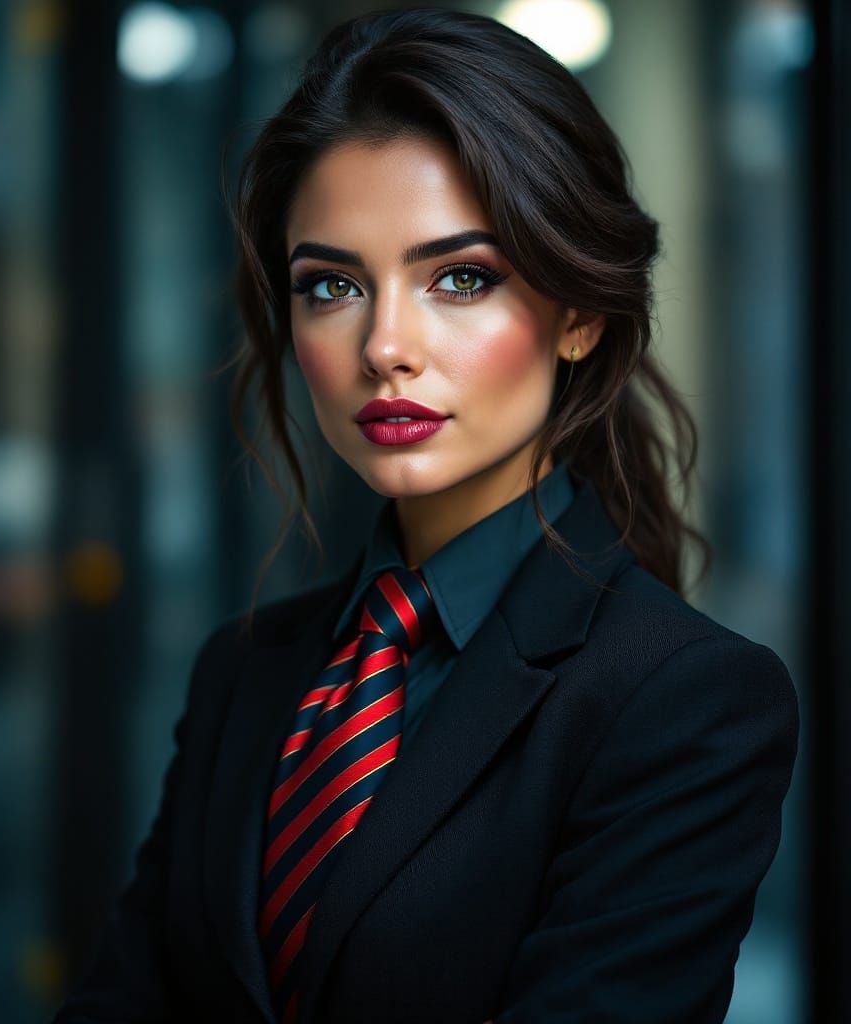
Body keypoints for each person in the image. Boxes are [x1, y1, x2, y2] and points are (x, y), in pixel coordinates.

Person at [53, 8, 799, 1024]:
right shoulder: (243, 672)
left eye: (460, 277)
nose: (384, 347)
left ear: (579, 313)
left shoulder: (683, 699)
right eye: (331, 285)